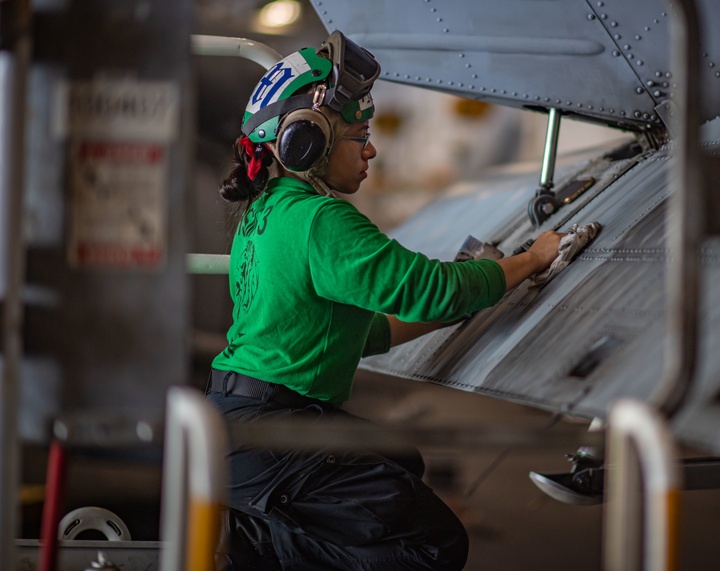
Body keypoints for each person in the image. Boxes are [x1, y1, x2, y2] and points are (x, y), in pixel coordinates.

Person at [207, 31, 565, 571]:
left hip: (240, 416)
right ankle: (257, 544)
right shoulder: (321, 220)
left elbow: (366, 331)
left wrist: (470, 298)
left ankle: (262, 529)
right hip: (270, 430)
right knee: (431, 546)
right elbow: (430, 288)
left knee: (402, 461)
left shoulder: (265, 214)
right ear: (309, 141)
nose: (371, 149)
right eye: (360, 134)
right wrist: (529, 261)